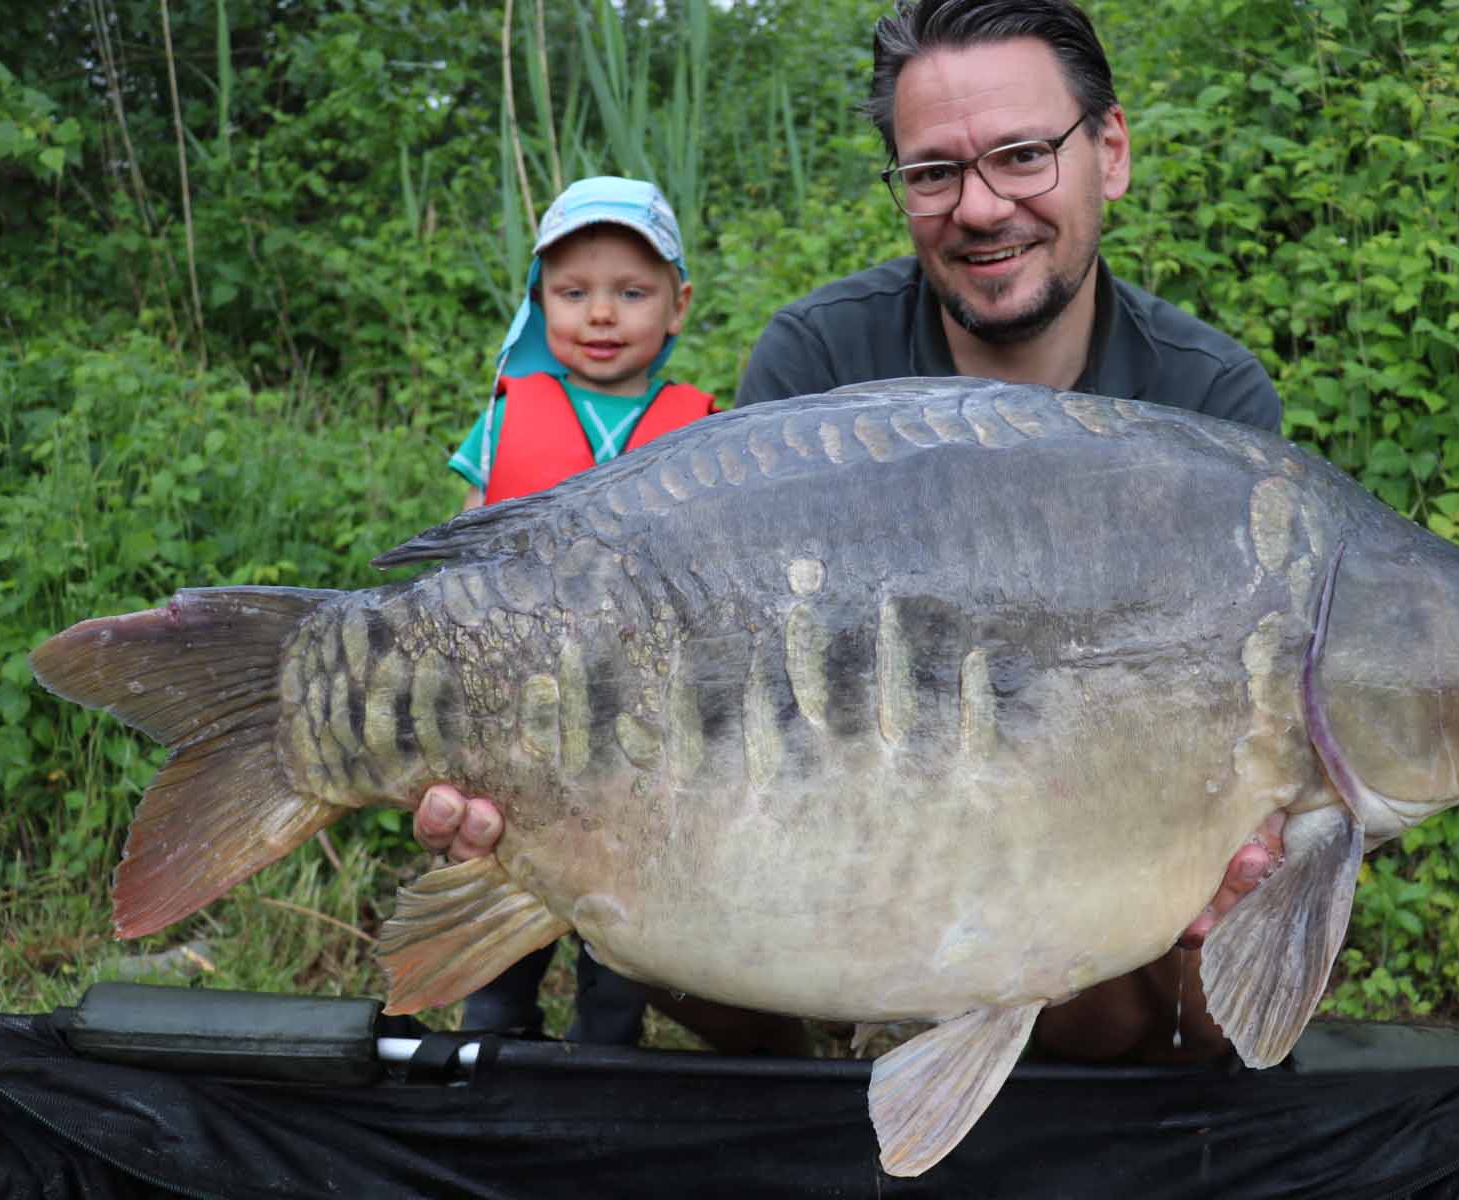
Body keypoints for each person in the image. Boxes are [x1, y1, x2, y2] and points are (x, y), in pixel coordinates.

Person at [417, 0, 1286, 1064]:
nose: (980, 207)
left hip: (1078, 841)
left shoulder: (1208, 407)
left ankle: (1013, 1072)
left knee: (1211, 942)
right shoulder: (818, 359)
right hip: (836, 836)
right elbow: (707, 656)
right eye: (933, 172)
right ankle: (814, 1089)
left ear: (1110, 152)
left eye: (1022, 155)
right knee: (652, 893)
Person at [442, 175, 720, 1046]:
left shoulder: (706, 430)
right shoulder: (507, 419)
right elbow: (462, 556)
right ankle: (495, 1041)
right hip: (519, 712)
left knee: (624, 893)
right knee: (505, 872)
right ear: (540, 302)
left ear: (677, 306)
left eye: (631, 293)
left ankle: (607, 1052)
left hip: (643, 721)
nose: (601, 314)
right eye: (573, 293)